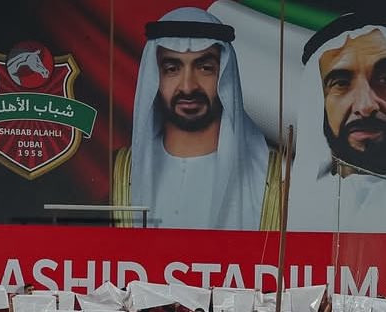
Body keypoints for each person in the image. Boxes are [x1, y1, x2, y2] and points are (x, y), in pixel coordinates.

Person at [112, 6, 280, 230]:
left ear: (225, 76)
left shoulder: (273, 177)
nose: (188, 86)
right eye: (172, 69)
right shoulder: (121, 173)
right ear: (155, 78)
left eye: (205, 68)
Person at [288, 13, 386, 234]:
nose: (366, 106)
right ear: (318, 103)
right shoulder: (285, 210)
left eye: (384, 79)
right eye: (341, 83)